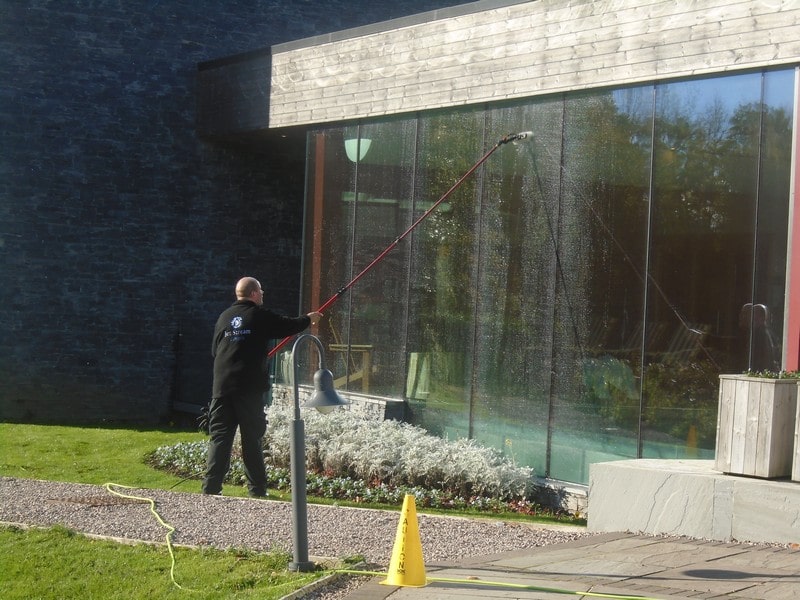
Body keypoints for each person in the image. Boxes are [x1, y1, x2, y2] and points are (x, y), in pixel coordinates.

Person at [202, 276, 322, 497]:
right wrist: (308, 319)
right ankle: (257, 490)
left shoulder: (224, 317)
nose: (263, 294)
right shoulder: (258, 315)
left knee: (220, 438)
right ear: (254, 293)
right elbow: (287, 325)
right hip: (248, 389)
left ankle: (210, 489)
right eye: (261, 291)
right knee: (252, 438)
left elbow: (215, 351)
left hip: (221, 388)